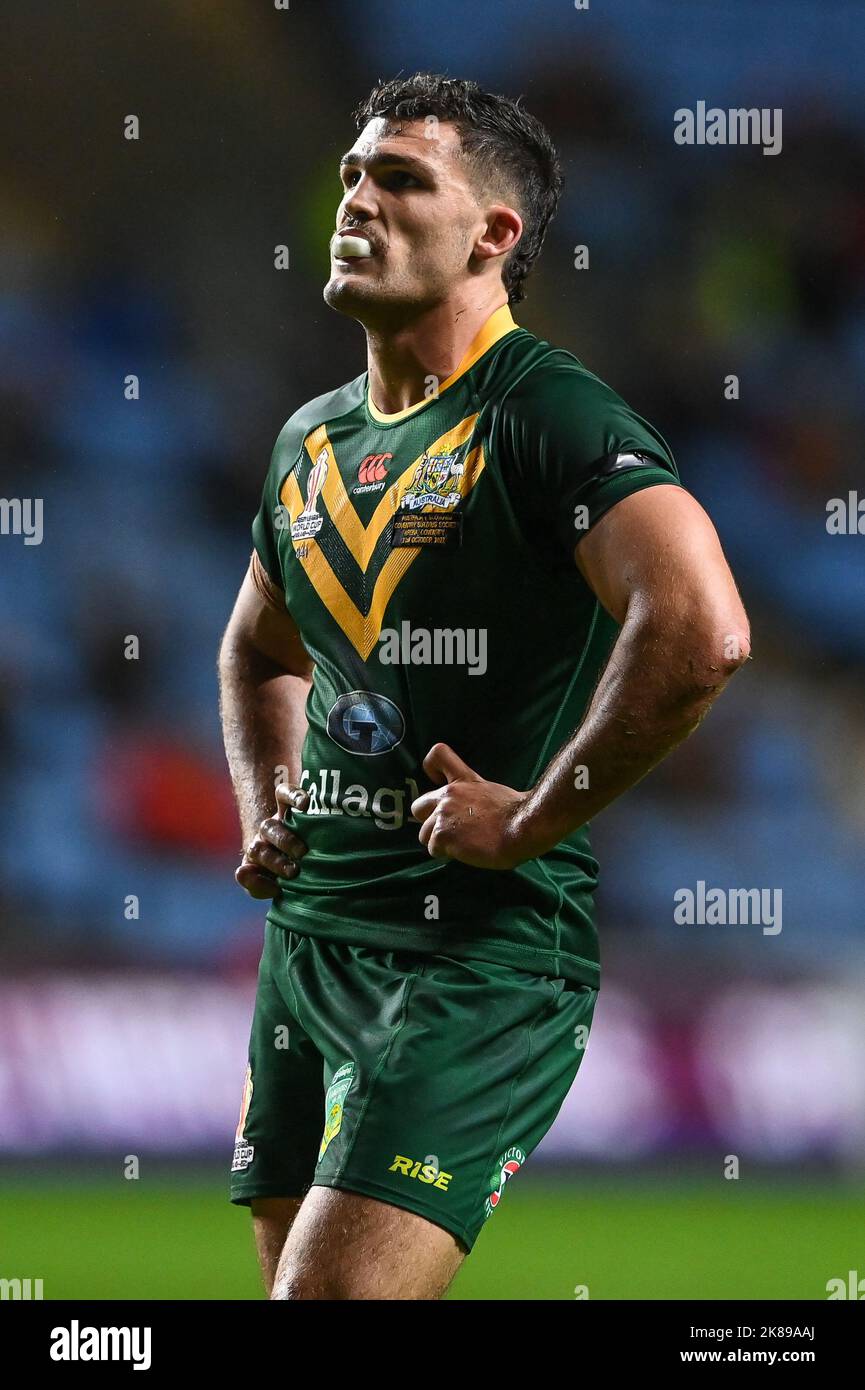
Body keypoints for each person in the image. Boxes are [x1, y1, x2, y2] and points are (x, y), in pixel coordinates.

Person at [218, 72, 750, 1301]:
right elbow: (257, 649)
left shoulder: (545, 412)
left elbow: (699, 627)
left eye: (401, 180)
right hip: (314, 944)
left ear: (493, 235)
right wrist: (267, 798)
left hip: (477, 958)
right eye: (354, 174)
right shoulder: (312, 437)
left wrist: (528, 817)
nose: (358, 200)